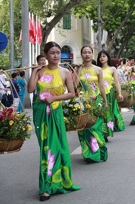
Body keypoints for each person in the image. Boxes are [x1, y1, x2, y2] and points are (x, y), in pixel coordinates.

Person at [27, 41, 80, 201]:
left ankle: (54, 184)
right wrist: (35, 72)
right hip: (41, 114)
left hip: (55, 113)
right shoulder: (40, 71)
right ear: (45, 55)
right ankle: (47, 186)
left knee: (57, 148)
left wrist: (54, 98)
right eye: (52, 53)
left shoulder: (64, 72)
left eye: (58, 52)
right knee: (46, 149)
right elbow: (30, 90)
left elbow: (72, 94)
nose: (56, 55)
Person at [74, 46, 108, 163]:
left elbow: (101, 87)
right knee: (84, 128)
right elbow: (75, 86)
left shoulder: (98, 70)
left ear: (92, 54)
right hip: (83, 103)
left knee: (95, 127)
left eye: (89, 52)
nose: (87, 54)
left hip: (96, 102)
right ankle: (89, 153)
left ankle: (99, 151)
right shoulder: (77, 69)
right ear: (81, 54)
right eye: (84, 52)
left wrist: (105, 102)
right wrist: (77, 71)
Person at [97, 50, 125, 133]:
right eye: (100, 56)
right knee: (100, 112)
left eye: (104, 56)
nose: (101, 58)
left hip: (110, 93)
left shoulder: (112, 69)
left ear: (107, 58)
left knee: (109, 112)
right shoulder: (97, 69)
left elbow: (116, 82)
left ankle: (107, 131)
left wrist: (119, 93)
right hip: (99, 94)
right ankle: (102, 131)